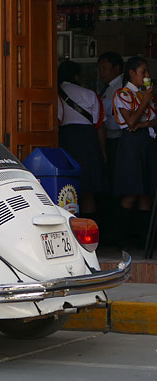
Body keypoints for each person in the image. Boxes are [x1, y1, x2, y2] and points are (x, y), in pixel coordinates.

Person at [112, 55, 157, 250]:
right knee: (132, 191)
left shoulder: (145, 94)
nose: (147, 75)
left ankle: (145, 240)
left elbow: (153, 121)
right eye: (143, 72)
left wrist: (143, 123)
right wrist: (145, 101)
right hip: (131, 144)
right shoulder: (123, 94)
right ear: (132, 74)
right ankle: (120, 238)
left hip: (148, 141)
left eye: (147, 72)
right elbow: (130, 122)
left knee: (146, 192)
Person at [57, 60, 107, 222]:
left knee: (67, 188)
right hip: (89, 141)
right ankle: (90, 232)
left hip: (66, 139)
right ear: (77, 76)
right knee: (88, 191)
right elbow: (99, 125)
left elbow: (55, 121)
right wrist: (103, 152)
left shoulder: (54, 94)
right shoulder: (90, 94)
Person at [97, 51, 124, 241]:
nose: (101, 73)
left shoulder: (120, 89)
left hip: (118, 141)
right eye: (100, 69)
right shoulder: (107, 88)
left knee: (118, 185)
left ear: (117, 68)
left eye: (105, 69)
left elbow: (115, 122)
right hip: (110, 139)